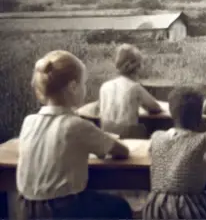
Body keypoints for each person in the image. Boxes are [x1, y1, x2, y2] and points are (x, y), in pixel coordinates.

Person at [17, 50, 133, 220]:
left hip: (26, 209)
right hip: (63, 210)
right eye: (84, 83)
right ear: (73, 87)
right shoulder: (76, 125)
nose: (85, 88)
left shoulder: (29, 121)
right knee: (120, 207)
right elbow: (121, 151)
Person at [142, 87, 206, 219]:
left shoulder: (157, 137)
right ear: (199, 116)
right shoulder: (203, 141)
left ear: (171, 112)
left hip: (155, 208)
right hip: (186, 209)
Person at [98, 44, 163, 139]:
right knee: (147, 130)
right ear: (137, 67)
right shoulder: (134, 87)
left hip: (106, 134)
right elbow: (155, 108)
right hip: (127, 134)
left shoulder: (105, 86)